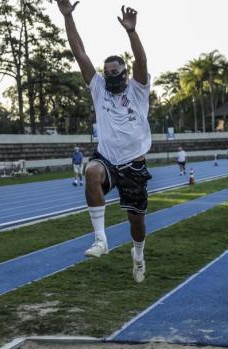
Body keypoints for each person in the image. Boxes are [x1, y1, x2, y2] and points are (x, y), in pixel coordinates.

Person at [56, 0, 152, 283]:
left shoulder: (138, 90)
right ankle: (101, 239)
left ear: (124, 73)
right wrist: (68, 17)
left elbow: (142, 62)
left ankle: (138, 255)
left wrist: (132, 32)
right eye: (106, 71)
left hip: (134, 164)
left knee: (137, 222)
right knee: (91, 172)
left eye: (114, 72)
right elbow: (79, 53)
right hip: (107, 159)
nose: (109, 75)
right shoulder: (99, 89)